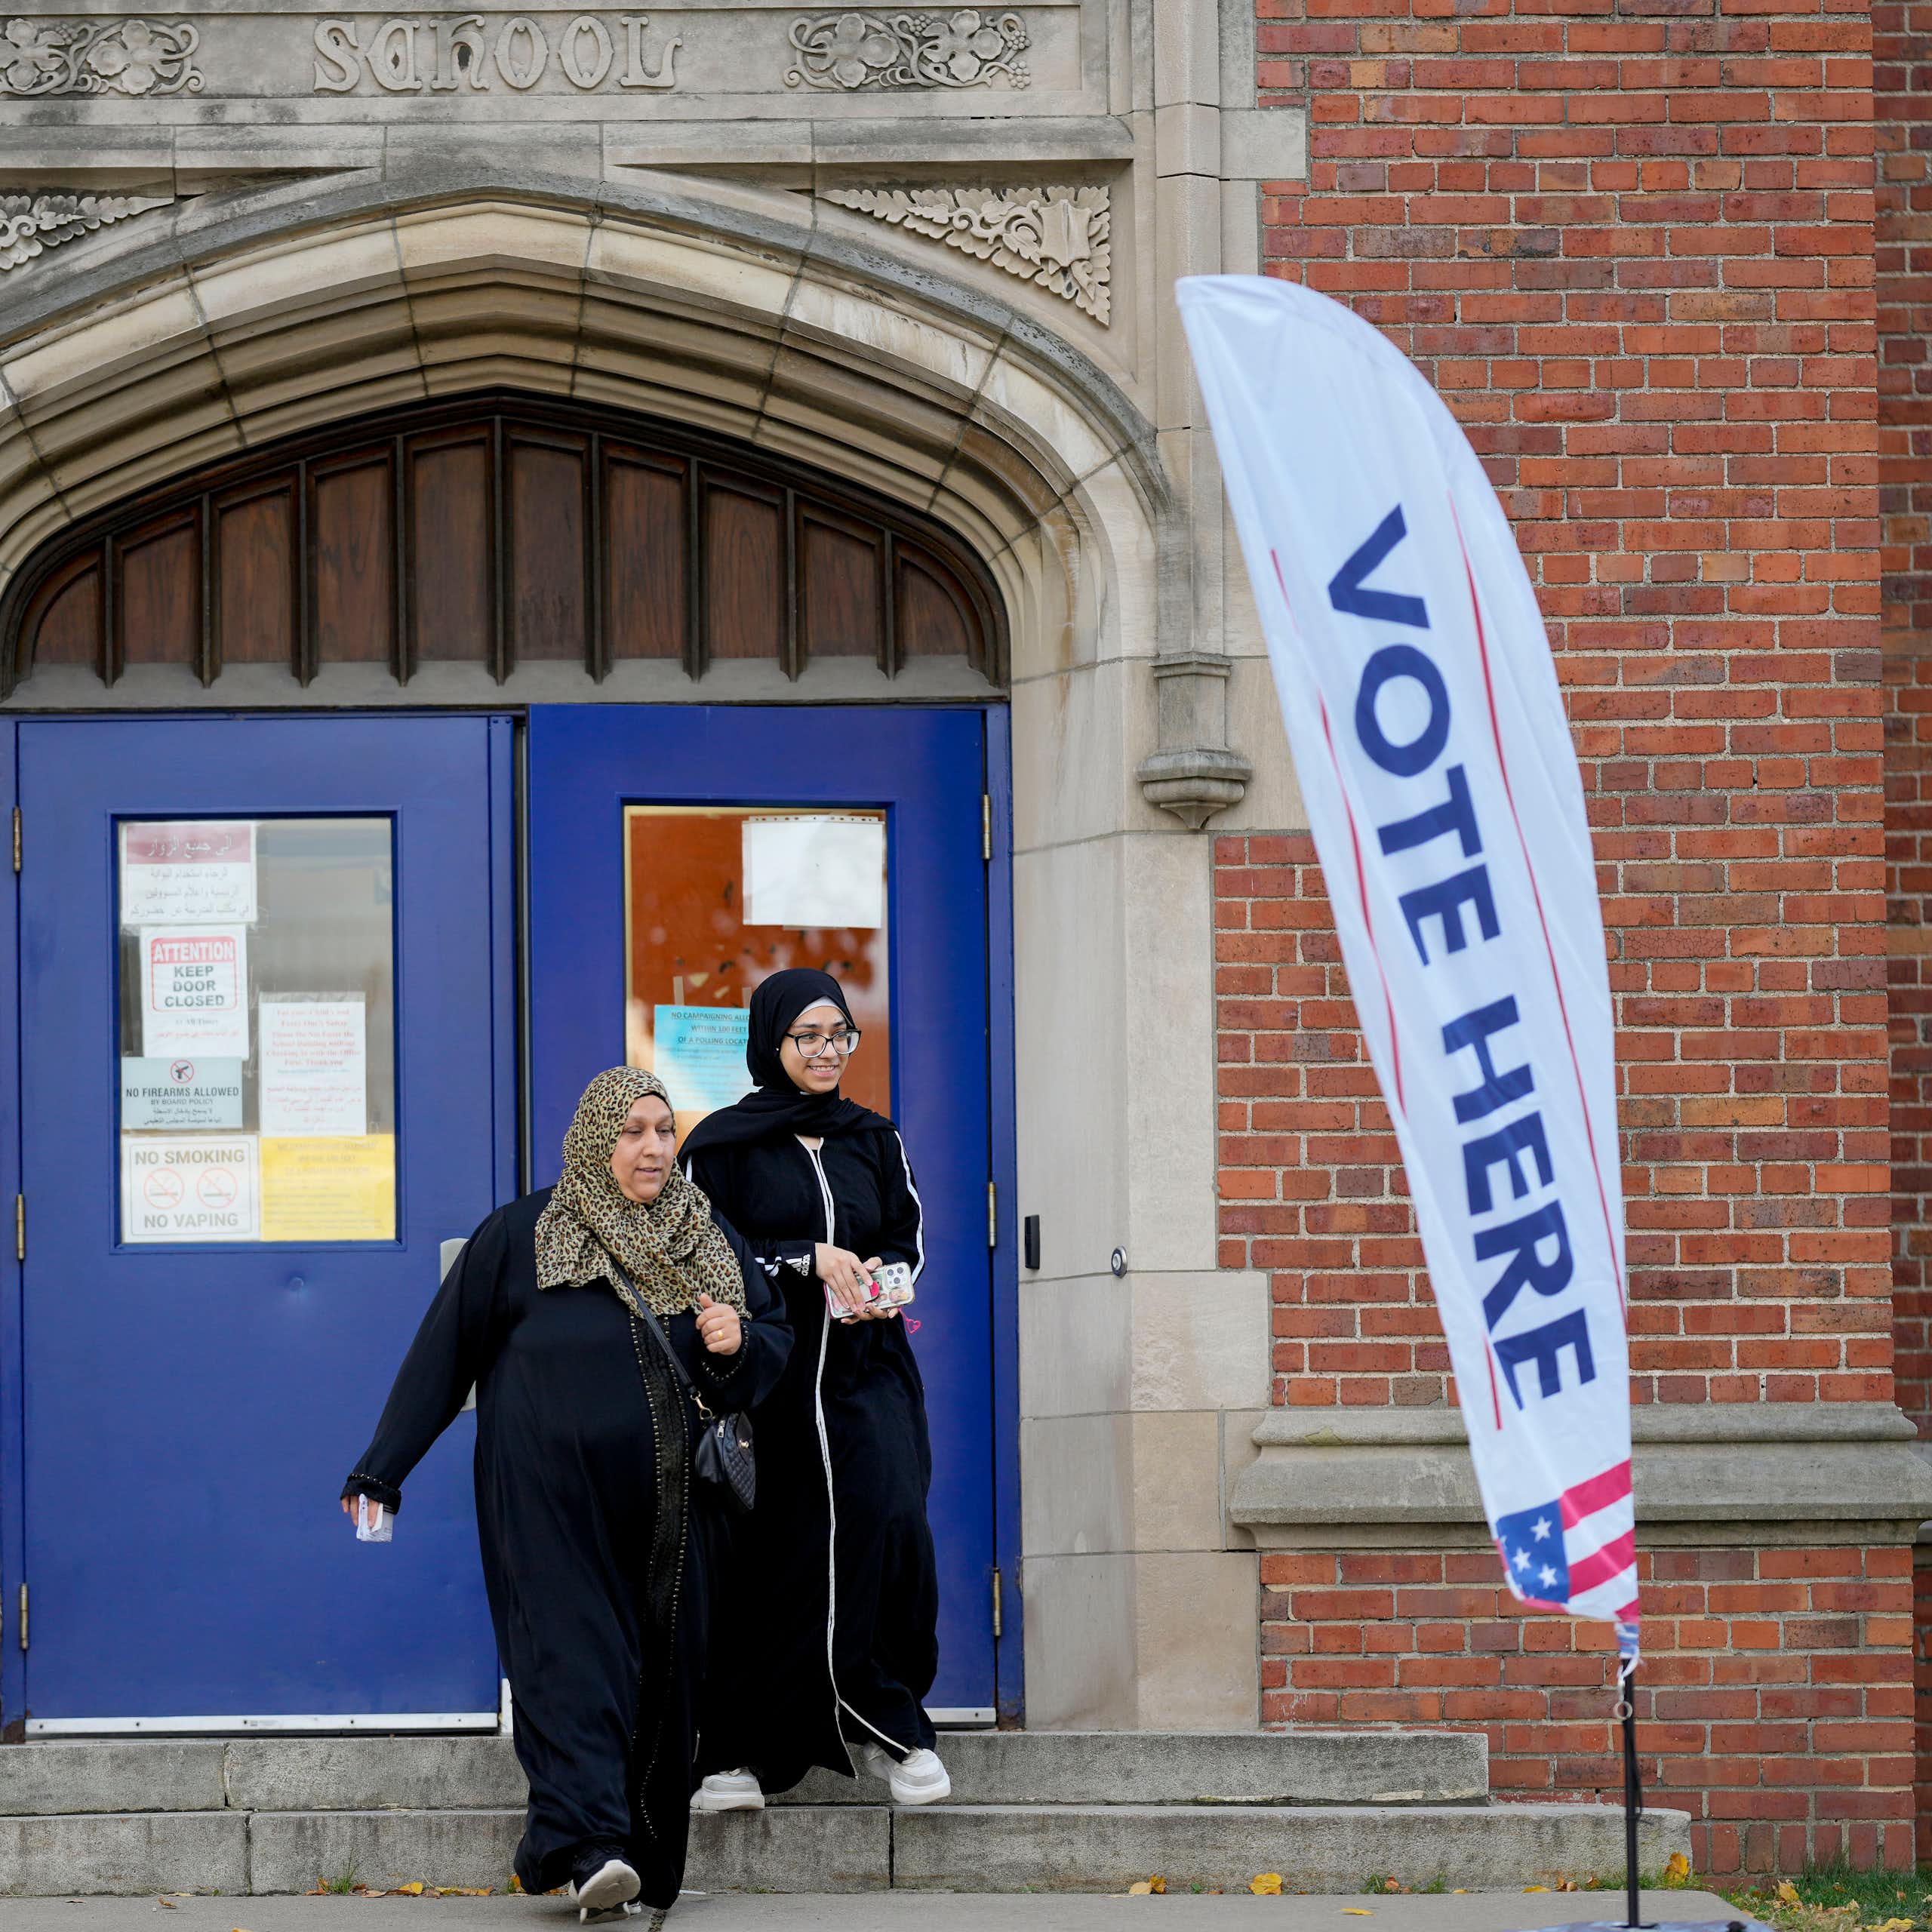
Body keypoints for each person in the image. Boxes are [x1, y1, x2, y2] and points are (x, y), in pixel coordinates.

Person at [340, 1067, 792, 1920]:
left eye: (663, 1129)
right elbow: (444, 1356)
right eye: (631, 1132)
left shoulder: (705, 1233)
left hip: (678, 1512)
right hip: (548, 1501)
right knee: (570, 1663)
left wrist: (739, 1342)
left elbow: (772, 1341)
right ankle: (588, 1847)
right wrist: (381, 1470)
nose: (653, 1147)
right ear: (595, 1139)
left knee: (664, 1678)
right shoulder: (521, 1235)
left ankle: (637, 1854)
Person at [678, 967, 947, 1810]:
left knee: (888, 1525)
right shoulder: (720, 1145)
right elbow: (703, 1253)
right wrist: (806, 1257)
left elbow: (907, 1243)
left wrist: (884, 1282)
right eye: (810, 1036)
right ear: (772, 1041)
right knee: (774, 1555)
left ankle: (895, 1725)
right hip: (770, 1386)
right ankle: (740, 1754)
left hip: (869, 1381)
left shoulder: (875, 1139)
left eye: (841, 1035)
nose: (829, 1051)